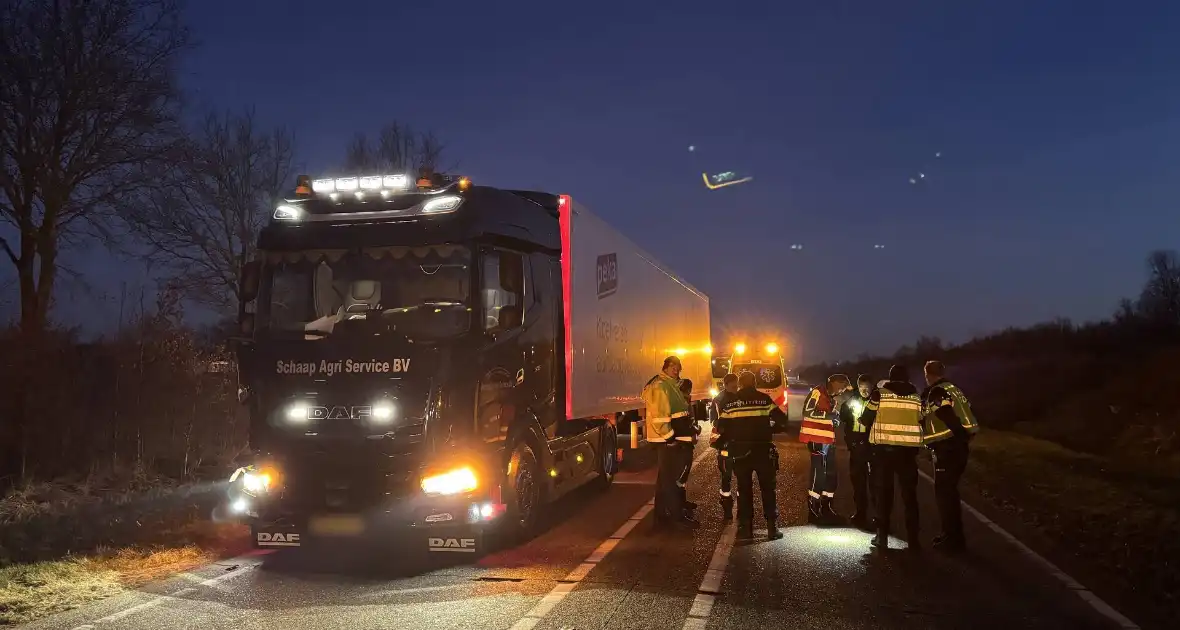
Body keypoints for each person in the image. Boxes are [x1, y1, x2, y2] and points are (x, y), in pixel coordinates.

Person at [715, 371, 789, 540]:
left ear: (740, 384)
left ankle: (746, 529)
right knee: (768, 490)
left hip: (741, 453)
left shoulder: (731, 402)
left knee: (744, 490)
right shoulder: (764, 399)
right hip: (763, 450)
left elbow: (721, 427)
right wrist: (768, 430)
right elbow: (782, 420)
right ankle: (772, 528)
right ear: (755, 383)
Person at [860, 364, 925, 551]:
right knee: (910, 497)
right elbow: (922, 419)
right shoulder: (916, 397)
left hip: (883, 452)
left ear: (890, 378)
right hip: (908, 453)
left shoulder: (879, 394)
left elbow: (865, 419)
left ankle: (882, 537)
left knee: (884, 495)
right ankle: (914, 540)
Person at [921, 360, 979, 552]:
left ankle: (953, 540)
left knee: (945, 496)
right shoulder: (954, 389)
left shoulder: (937, 392)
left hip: (948, 448)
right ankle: (951, 535)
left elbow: (948, 416)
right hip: (955, 448)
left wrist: (958, 440)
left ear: (928, 374)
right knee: (949, 493)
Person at [642, 356, 698, 529]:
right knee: (671, 480)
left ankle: (662, 516)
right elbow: (660, 418)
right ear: (665, 367)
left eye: (678, 367)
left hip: (670, 440)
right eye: (673, 366)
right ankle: (676, 519)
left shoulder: (671, 384)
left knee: (665, 480)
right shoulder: (660, 386)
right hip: (667, 442)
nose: (676, 370)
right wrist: (670, 438)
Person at [800, 374, 852, 523]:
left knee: (831, 474)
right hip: (816, 440)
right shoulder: (817, 392)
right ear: (835, 384)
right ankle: (813, 508)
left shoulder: (832, 399)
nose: (842, 391)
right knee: (819, 474)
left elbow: (828, 417)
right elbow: (807, 411)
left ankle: (826, 506)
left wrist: (834, 420)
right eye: (842, 387)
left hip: (828, 440)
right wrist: (829, 416)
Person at [840, 374, 875, 531]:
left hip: (873, 445)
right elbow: (844, 419)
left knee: (875, 484)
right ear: (858, 386)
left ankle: (878, 516)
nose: (865, 391)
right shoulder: (851, 400)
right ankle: (861, 513)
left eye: (867, 388)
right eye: (862, 388)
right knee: (858, 483)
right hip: (856, 445)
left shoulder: (876, 401)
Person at [709, 373, 740, 519]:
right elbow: (716, 422)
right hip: (725, 444)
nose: (736, 388)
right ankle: (726, 504)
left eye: (737, 386)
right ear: (726, 385)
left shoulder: (739, 397)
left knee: (741, 476)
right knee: (726, 476)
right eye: (734, 386)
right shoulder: (719, 400)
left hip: (738, 443)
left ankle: (741, 505)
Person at [677, 378, 700, 516]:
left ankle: (681, 502)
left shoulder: (684, 401)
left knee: (683, 476)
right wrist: (696, 430)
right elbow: (688, 422)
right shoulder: (682, 403)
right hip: (683, 444)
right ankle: (679, 505)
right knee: (681, 475)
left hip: (686, 443)